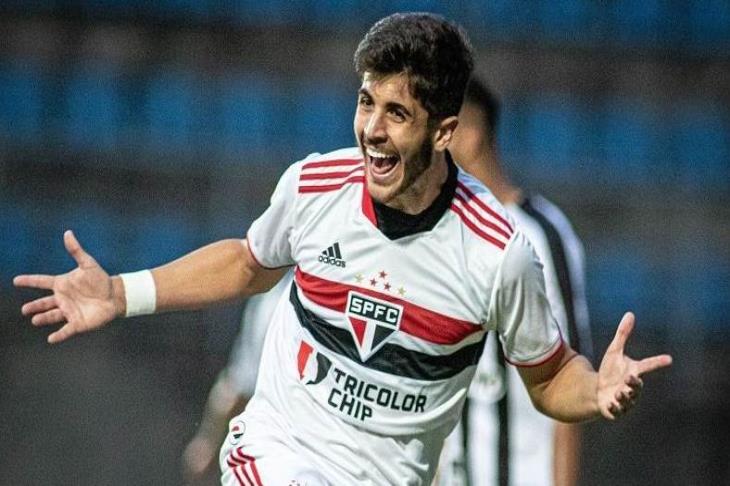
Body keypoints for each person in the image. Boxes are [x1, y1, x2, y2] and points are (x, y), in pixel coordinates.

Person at [14, 12, 672, 486]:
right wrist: (121, 291)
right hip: (277, 452)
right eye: (366, 102)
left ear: (445, 131)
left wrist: (597, 391)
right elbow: (247, 263)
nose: (371, 131)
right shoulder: (315, 186)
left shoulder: (498, 253)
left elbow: (549, 378)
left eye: (397, 113)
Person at [436, 77, 593, 486]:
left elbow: (569, 369)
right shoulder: (441, 233)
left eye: (439, 133)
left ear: (469, 134)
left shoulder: (541, 232)